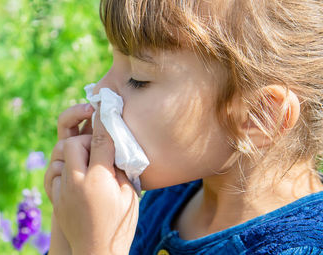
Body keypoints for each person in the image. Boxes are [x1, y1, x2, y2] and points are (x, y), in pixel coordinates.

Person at [43, 0, 323, 254]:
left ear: (258, 115)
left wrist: (96, 248)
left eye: (139, 79)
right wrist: (69, 228)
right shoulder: (169, 195)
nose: (101, 89)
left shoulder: (295, 248)